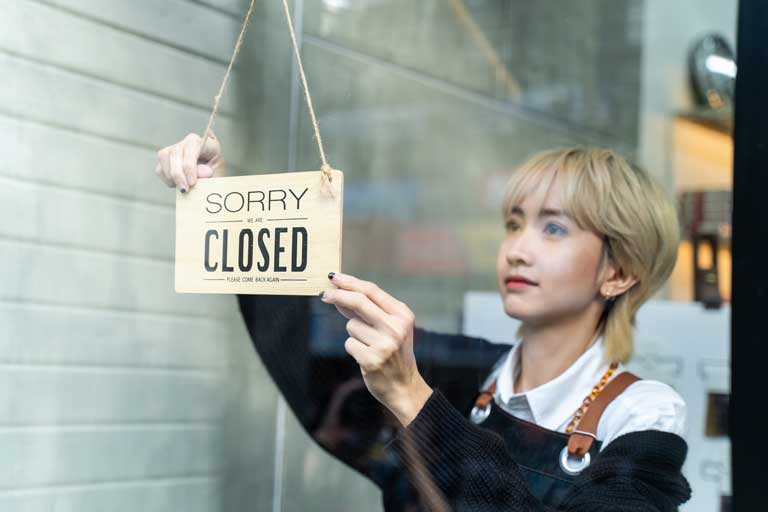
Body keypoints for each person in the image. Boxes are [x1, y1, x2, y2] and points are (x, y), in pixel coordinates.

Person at [155, 132, 692, 511]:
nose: (517, 250)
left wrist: (413, 398)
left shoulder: (640, 416)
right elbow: (306, 354)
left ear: (618, 273)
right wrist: (222, 203)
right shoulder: (466, 372)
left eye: (553, 230)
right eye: (513, 224)